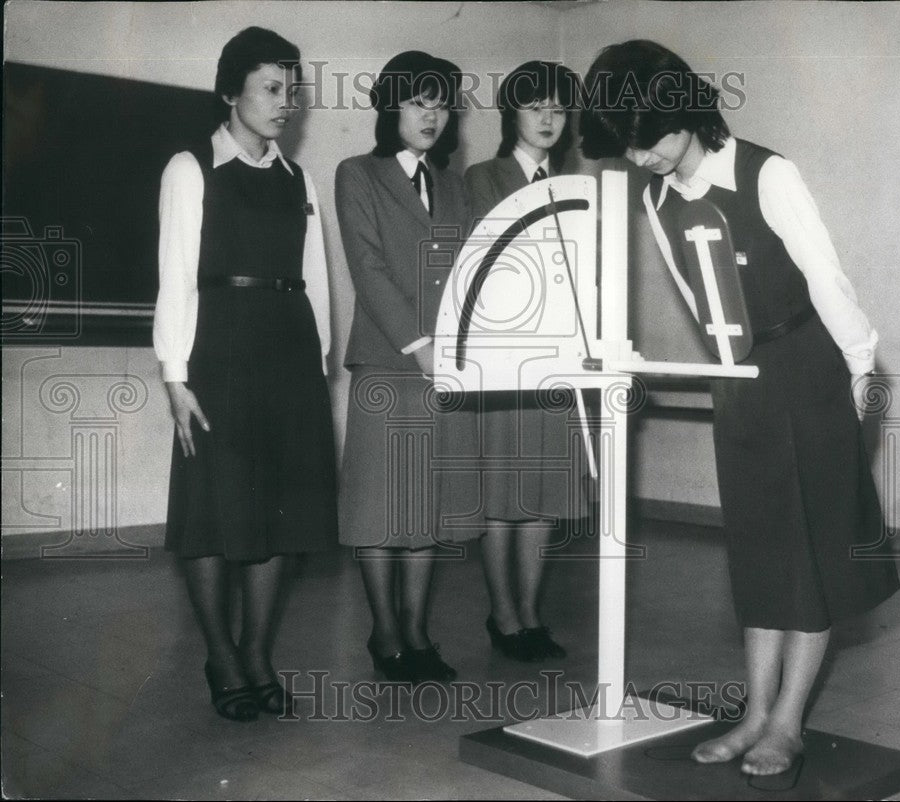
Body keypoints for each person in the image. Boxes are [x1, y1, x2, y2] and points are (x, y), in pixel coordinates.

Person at [579, 40, 900, 775]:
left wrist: (859, 383)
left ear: (684, 113)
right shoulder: (657, 199)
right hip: (743, 382)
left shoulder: (767, 172)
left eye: (648, 140)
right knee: (759, 555)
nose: (641, 159)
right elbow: (703, 306)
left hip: (812, 370)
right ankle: (753, 713)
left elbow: (828, 281)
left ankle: (788, 723)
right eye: (627, 148)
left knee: (809, 555)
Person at [154, 27, 336, 721]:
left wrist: (317, 366)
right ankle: (222, 657)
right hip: (219, 350)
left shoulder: (299, 179)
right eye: (269, 89)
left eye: (291, 91)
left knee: (281, 514)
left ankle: (257, 652)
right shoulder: (190, 168)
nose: (283, 103)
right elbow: (174, 278)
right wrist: (176, 376)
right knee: (214, 508)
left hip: (289, 351)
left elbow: (315, 280)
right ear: (231, 92)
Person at [335, 50, 475, 684]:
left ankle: (416, 632)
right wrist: (420, 347)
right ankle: (385, 633)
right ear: (390, 106)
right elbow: (369, 270)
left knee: (423, 508)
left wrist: (458, 349)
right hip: (389, 362)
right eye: (419, 101)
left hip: (443, 365)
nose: (432, 115)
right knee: (379, 507)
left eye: (441, 102)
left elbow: (472, 275)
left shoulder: (455, 186)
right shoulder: (357, 174)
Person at [463, 61, 587, 662]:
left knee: (544, 496)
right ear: (511, 114)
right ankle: (503, 614)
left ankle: (531, 613)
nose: (547, 118)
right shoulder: (482, 178)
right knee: (501, 495)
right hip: (502, 360)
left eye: (558, 109)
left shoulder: (575, 183)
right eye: (535, 106)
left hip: (557, 361)